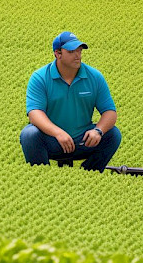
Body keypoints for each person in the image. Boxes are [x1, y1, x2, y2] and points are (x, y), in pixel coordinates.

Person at [20, 31, 122, 172]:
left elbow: (110, 112)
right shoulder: (40, 77)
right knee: (29, 134)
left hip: (82, 141)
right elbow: (34, 113)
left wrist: (98, 131)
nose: (77, 55)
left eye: (79, 50)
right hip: (52, 140)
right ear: (58, 53)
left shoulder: (95, 77)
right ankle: (41, 176)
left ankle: (89, 174)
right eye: (71, 51)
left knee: (113, 134)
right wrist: (58, 133)